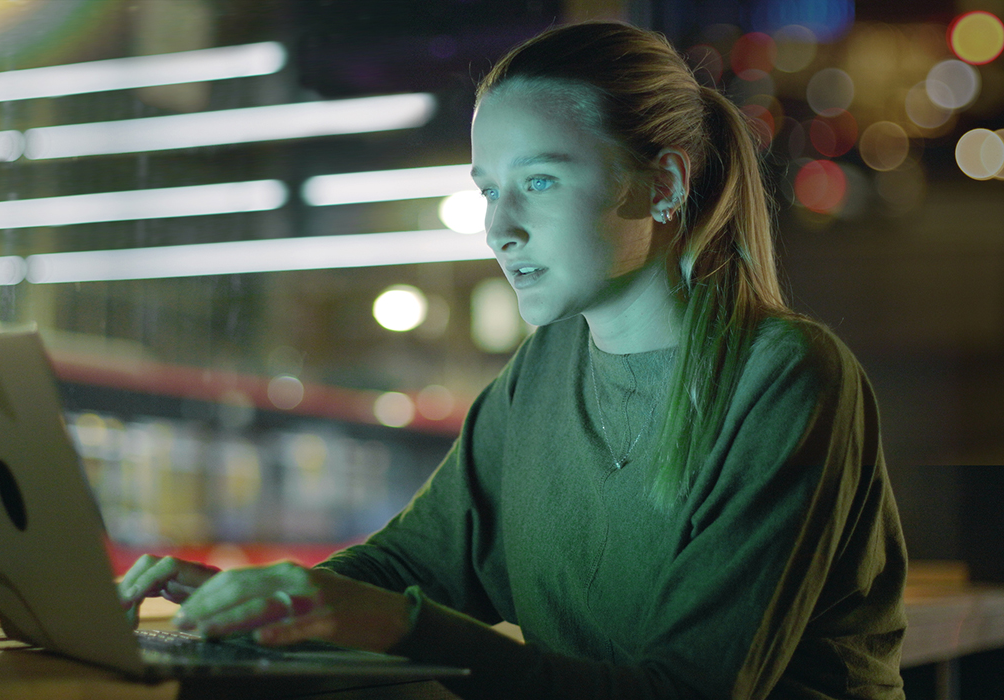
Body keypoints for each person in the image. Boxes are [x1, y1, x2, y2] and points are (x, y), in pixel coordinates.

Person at [119, 21, 908, 699]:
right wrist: (256, 601)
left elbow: (687, 690)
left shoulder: (787, 378)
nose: (500, 228)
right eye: (491, 189)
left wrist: (400, 627)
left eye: (539, 181)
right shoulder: (543, 370)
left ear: (663, 184)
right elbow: (411, 566)